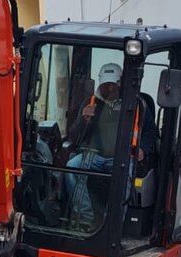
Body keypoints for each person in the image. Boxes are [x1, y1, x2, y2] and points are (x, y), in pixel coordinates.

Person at [64, 64, 156, 229]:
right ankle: (85, 217)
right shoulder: (90, 103)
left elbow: (150, 131)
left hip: (122, 156)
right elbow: (74, 135)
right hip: (93, 155)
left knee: (126, 176)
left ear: (120, 84)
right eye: (106, 85)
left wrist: (142, 148)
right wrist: (83, 119)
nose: (109, 89)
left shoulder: (137, 104)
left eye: (112, 85)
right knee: (71, 167)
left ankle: (111, 223)